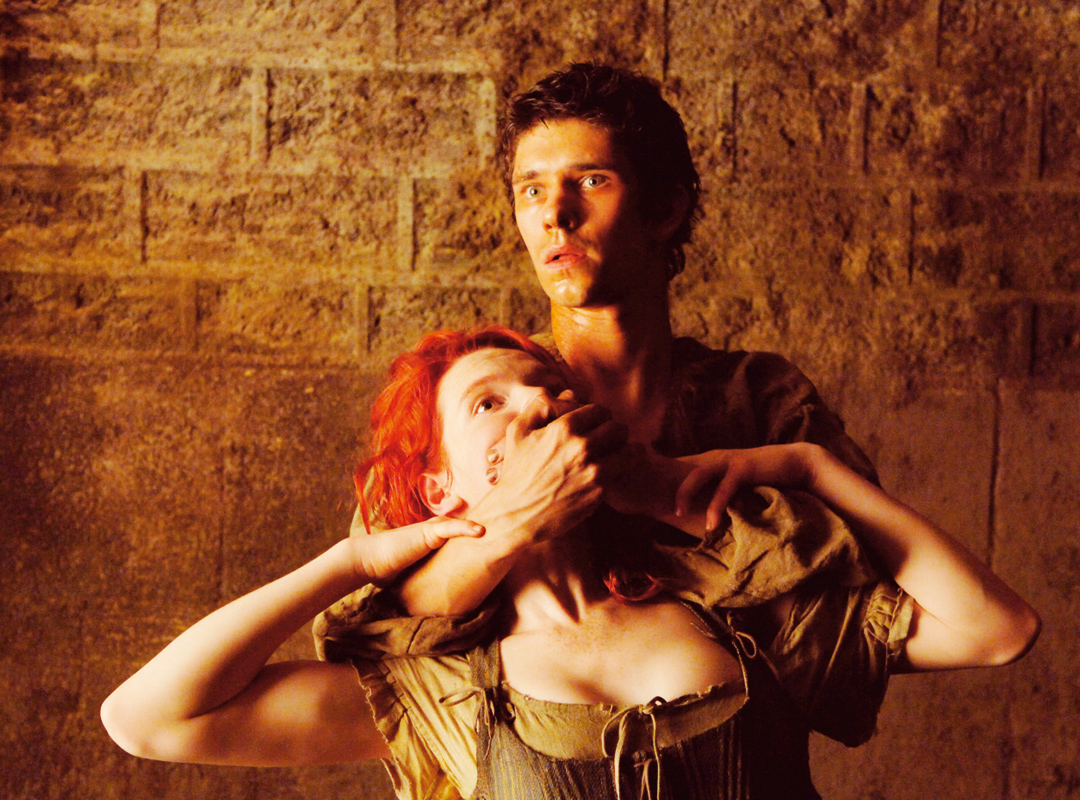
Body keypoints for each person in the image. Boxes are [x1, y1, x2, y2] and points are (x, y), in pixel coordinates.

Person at [102, 327, 1040, 800]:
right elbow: (147, 719)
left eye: (548, 388)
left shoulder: (733, 612)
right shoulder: (442, 688)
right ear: (440, 489)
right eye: (488, 404)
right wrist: (353, 558)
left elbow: (997, 630)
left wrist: (805, 467)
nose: (538, 404)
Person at [330, 62, 883, 639]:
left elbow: (883, 580)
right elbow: (367, 618)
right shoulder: (471, 400)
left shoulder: (760, 398)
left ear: (664, 209)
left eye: (592, 181)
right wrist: (513, 519)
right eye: (532, 190)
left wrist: (673, 492)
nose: (554, 215)